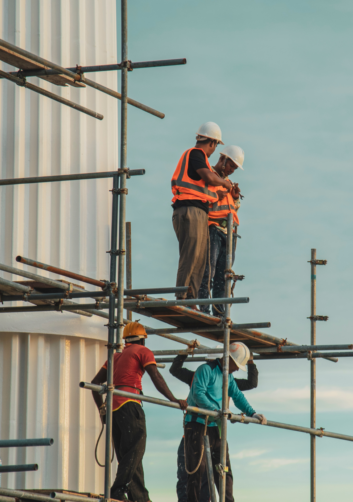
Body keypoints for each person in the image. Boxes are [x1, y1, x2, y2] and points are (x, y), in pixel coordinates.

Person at [90, 322, 188, 502]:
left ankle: (140, 497)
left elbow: (94, 385)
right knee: (136, 450)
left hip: (113, 408)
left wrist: (102, 410)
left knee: (129, 455)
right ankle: (117, 490)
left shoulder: (115, 357)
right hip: (129, 403)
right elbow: (156, 376)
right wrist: (173, 399)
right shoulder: (143, 351)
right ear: (142, 339)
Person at [183, 342, 267, 502]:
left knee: (224, 471)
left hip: (216, 426)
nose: (237, 369)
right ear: (227, 358)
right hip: (197, 425)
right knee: (196, 471)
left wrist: (252, 413)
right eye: (236, 365)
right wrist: (217, 410)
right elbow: (198, 394)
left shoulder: (228, 376)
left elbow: (237, 396)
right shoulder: (205, 370)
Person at [172, 122, 234, 302]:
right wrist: (224, 183)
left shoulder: (201, 160)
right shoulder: (196, 154)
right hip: (188, 210)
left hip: (197, 211)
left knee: (200, 259)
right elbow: (208, 177)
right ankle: (182, 297)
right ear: (213, 142)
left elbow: (204, 188)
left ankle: (191, 298)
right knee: (191, 255)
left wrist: (221, 192)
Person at [197, 146, 245, 317]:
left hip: (228, 232)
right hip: (213, 228)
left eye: (234, 168)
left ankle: (219, 312)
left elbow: (233, 208)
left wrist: (236, 197)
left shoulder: (228, 183)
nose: (232, 170)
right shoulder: (208, 174)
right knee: (207, 270)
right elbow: (204, 198)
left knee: (223, 276)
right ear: (223, 159)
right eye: (231, 166)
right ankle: (203, 308)